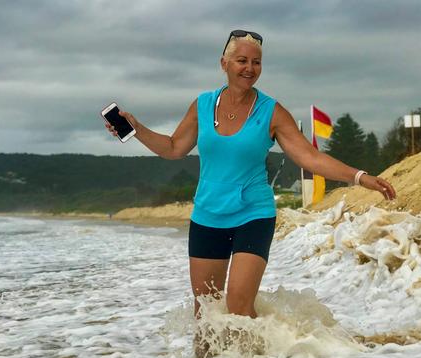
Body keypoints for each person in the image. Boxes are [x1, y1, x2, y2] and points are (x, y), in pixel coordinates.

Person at [104, 30, 396, 326]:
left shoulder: (271, 111)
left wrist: (359, 177)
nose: (249, 68)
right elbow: (173, 148)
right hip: (208, 215)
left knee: (238, 306)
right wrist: (137, 128)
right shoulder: (203, 105)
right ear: (224, 63)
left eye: (256, 62)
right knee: (205, 311)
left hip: (253, 214)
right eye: (242, 60)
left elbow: (309, 157)